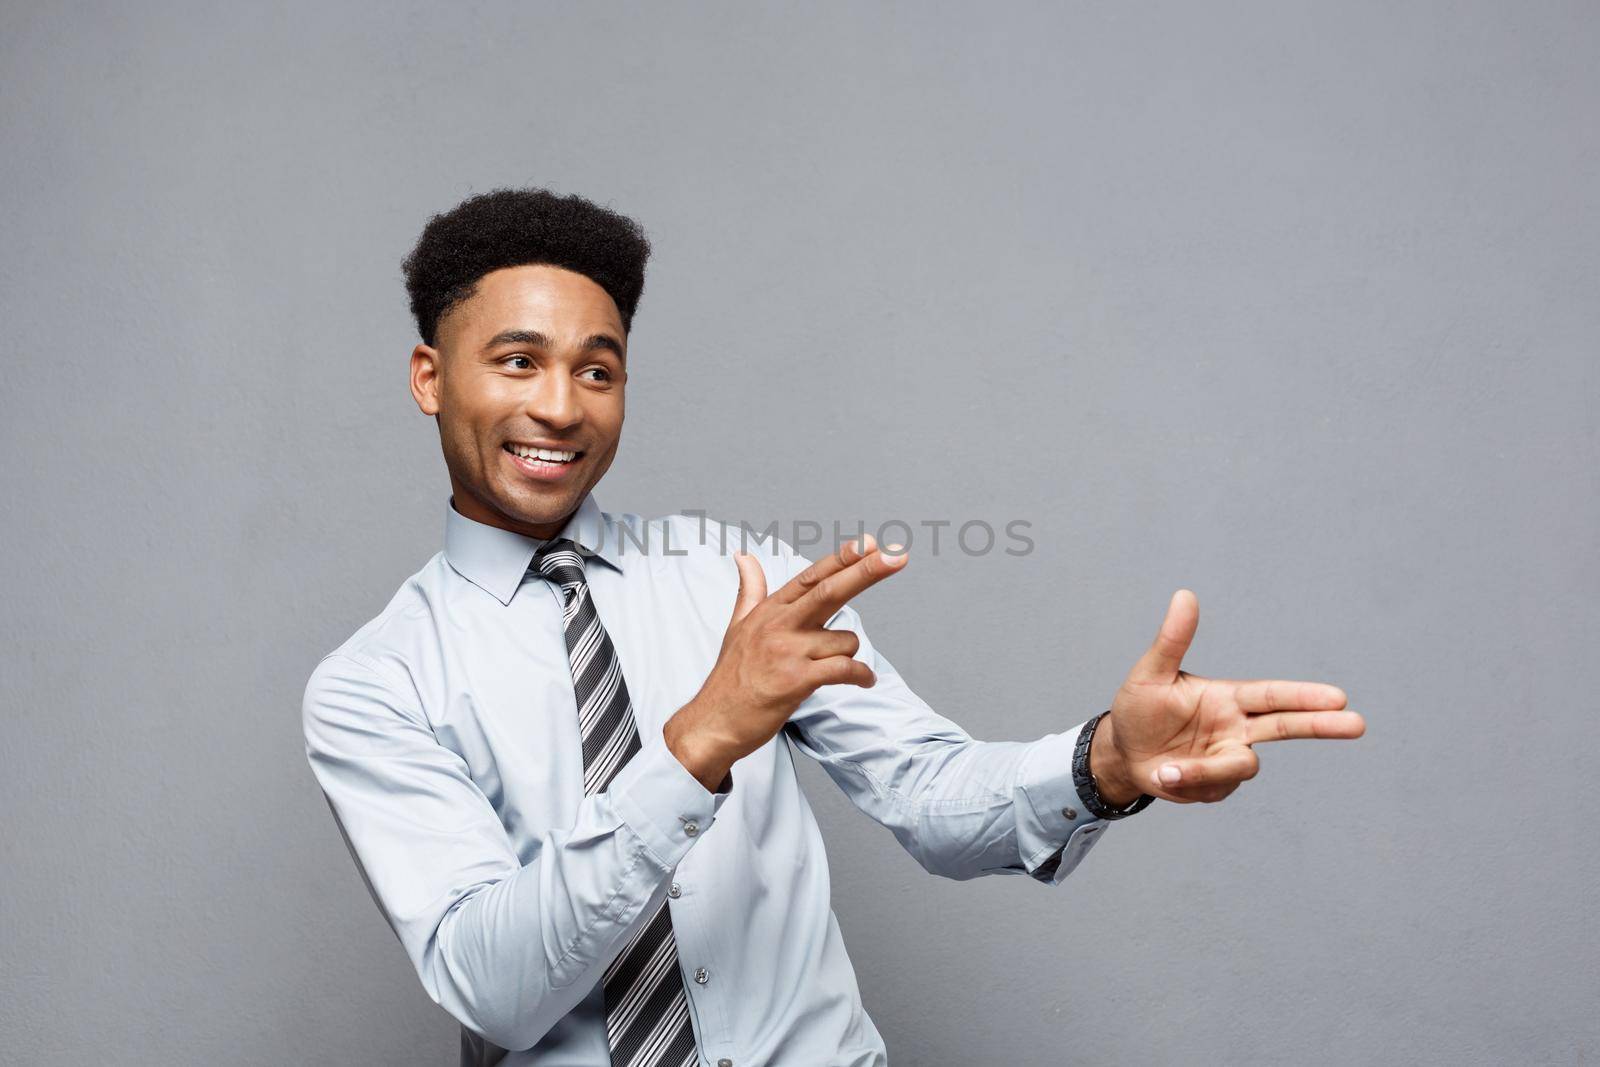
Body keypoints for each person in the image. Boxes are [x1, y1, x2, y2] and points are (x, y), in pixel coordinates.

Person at [301, 187, 1366, 1067]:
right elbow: (493, 987)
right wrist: (696, 743)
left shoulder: (742, 576)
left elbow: (934, 799)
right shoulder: (374, 685)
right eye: (518, 361)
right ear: (430, 380)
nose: (562, 407)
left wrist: (1104, 762)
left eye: (597, 368)